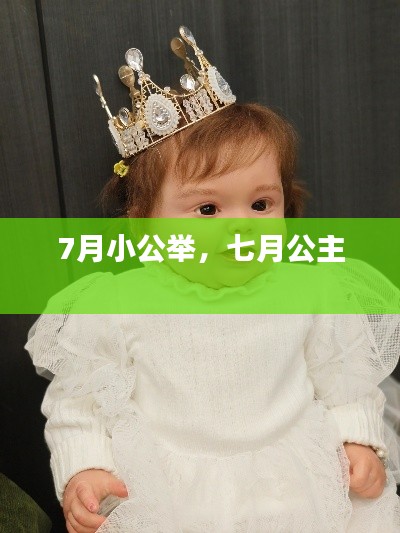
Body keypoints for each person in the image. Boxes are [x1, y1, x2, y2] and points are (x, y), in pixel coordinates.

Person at [25, 28, 400, 533]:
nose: (241, 226)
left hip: (298, 481)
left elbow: (343, 374)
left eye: (261, 204)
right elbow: (81, 401)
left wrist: (358, 439)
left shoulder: (312, 290)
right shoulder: (118, 303)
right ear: (144, 222)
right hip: (172, 493)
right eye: (208, 209)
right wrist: (85, 469)